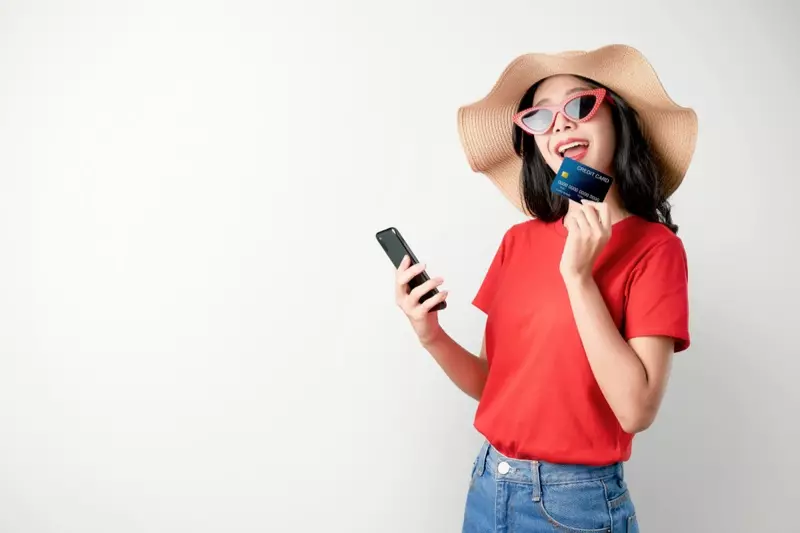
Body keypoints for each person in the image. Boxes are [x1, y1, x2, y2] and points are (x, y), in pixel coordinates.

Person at [393, 45, 697, 532]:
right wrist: (430, 333)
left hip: (574, 508)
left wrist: (579, 279)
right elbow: (494, 385)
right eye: (539, 117)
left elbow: (636, 409)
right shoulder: (520, 241)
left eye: (580, 106)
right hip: (488, 485)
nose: (559, 124)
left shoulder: (654, 249)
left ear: (617, 119)